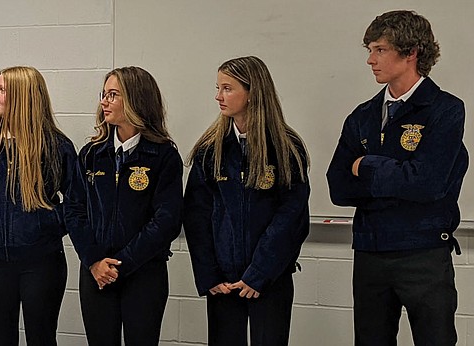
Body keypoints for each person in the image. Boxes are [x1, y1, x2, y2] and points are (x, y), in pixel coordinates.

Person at [326, 10, 467, 346]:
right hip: (371, 251)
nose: (371, 60)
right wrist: (399, 178)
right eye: (370, 51)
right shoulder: (362, 115)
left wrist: (367, 165)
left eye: (380, 50)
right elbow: (338, 186)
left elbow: (427, 183)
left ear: (411, 53)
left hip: (424, 253)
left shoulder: (444, 109)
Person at [182, 56, 310, 345]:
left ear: (252, 92)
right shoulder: (210, 150)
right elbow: (196, 215)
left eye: (227, 88)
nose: (218, 96)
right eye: (217, 88)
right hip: (223, 283)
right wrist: (209, 275)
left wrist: (259, 273)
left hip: (269, 279)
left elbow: (292, 216)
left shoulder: (285, 147)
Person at [65, 66, 183, 346]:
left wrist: (122, 264)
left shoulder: (163, 156)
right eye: (103, 94)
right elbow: (74, 209)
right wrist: (94, 261)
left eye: (113, 95)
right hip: (96, 273)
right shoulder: (92, 154)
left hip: (143, 274)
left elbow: (166, 220)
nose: (104, 101)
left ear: (136, 100)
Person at [0, 66, 76, 346]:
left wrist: (44, 225)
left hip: (42, 263)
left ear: (23, 96)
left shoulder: (55, 146)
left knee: (41, 337)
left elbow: (76, 204)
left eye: (2, 90)